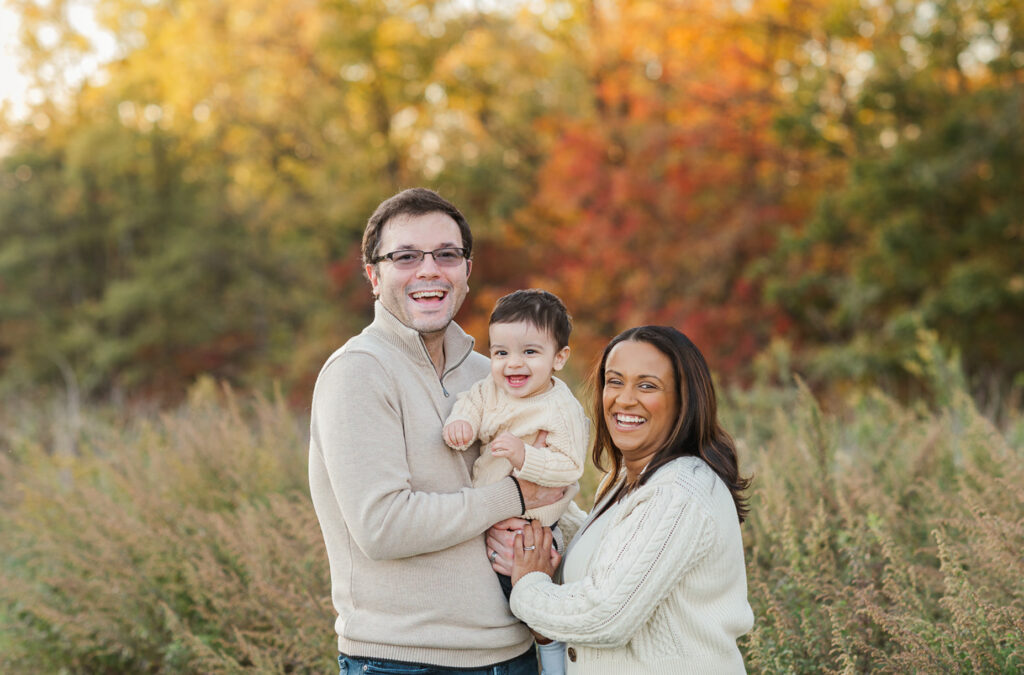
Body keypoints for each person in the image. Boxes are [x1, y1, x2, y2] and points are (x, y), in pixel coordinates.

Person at [308, 188, 565, 674]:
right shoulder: (358, 373)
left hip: (515, 653)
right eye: (405, 256)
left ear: (466, 271)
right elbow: (383, 527)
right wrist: (513, 495)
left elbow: (554, 476)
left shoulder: (491, 374)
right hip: (405, 661)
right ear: (373, 275)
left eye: (446, 255)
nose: (429, 269)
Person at [487, 325, 755, 674]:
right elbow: (611, 559)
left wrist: (528, 585)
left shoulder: (679, 490)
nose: (625, 399)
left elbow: (605, 617)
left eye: (647, 385)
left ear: (684, 400)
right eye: (614, 381)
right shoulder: (623, 484)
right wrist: (532, 509)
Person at [443, 289, 589, 675]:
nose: (512, 364)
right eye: (501, 352)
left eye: (529, 352)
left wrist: (527, 458)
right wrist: (463, 422)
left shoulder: (561, 409)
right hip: (492, 509)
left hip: (533, 522)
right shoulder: (491, 389)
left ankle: (555, 651)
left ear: (559, 358)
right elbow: (471, 402)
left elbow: (569, 467)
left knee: (526, 599)